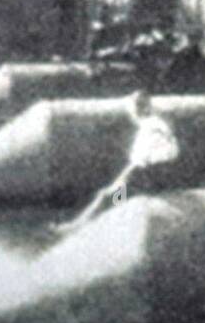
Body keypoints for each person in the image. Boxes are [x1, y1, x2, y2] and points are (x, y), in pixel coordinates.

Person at [53, 90, 180, 237]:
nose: (132, 114)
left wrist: (119, 183)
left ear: (137, 110)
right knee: (114, 196)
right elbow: (170, 152)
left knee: (107, 197)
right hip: (158, 175)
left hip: (148, 177)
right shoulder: (158, 123)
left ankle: (76, 227)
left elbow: (139, 163)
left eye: (133, 109)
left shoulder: (148, 128)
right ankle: (87, 225)